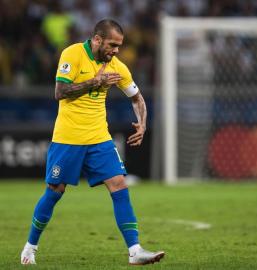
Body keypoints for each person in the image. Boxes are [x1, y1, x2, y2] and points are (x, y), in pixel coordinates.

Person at [20, 19, 164, 265]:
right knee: (55, 191)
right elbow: (60, 92)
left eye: (119, 45)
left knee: (119, 184)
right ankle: (30, 247)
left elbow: (137, 97)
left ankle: (135, 250)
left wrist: (142, 122)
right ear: (97, 40)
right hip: (68, 138)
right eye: (112, 45)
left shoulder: (116, 66)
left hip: (99, 138)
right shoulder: (72, 54)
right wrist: (94, 83)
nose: (116, 50)